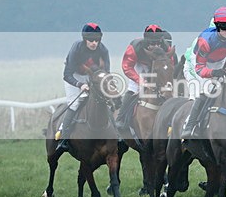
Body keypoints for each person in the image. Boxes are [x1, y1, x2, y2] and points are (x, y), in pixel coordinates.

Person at [181, 6, 226, 138]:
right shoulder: (205, 41)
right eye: (225, 26)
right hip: (196, 63)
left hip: (219, 61)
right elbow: (200, 68)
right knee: (206, 90)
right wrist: (214, 73)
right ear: (217, 26)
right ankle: (190, 126)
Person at [54, 22, 110, 153]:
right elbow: (66, 74)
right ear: (85, 39)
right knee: (75, 104)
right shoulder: (77, 48)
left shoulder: (103, 50)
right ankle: (64, 139)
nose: (94, 43)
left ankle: (116, 134)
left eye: (97, 40)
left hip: (92, 77)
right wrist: (80, 85)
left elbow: (106, 72)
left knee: (104, 100)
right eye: (91, 40)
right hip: (73, 76)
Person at [115, 24, 176, 133]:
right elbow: (127, 67)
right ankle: (121, 119)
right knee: (133, 89)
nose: (156, 46)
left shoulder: (166, 47)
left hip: (157, 67)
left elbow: (169, 65)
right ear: (146, 41)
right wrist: (140, 81)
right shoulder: (135, 47)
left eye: (158, 43)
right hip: (139, 67)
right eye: (152, 43)